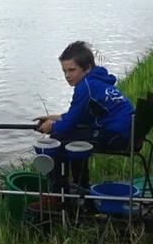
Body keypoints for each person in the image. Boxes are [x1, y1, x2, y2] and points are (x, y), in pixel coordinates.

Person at [35, 41, 134, 191]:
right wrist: (54, 118)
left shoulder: (85, 87)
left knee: (58, 139)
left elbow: (68, 124)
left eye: (71, 70)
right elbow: (78, 116)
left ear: (87, 67)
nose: (67, 76)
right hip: (126, 131)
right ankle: (79, 186)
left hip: (116, 136)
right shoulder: (96, 80)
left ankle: (61, 191)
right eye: (64, 71)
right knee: (72, 135)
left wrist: (51, 127)